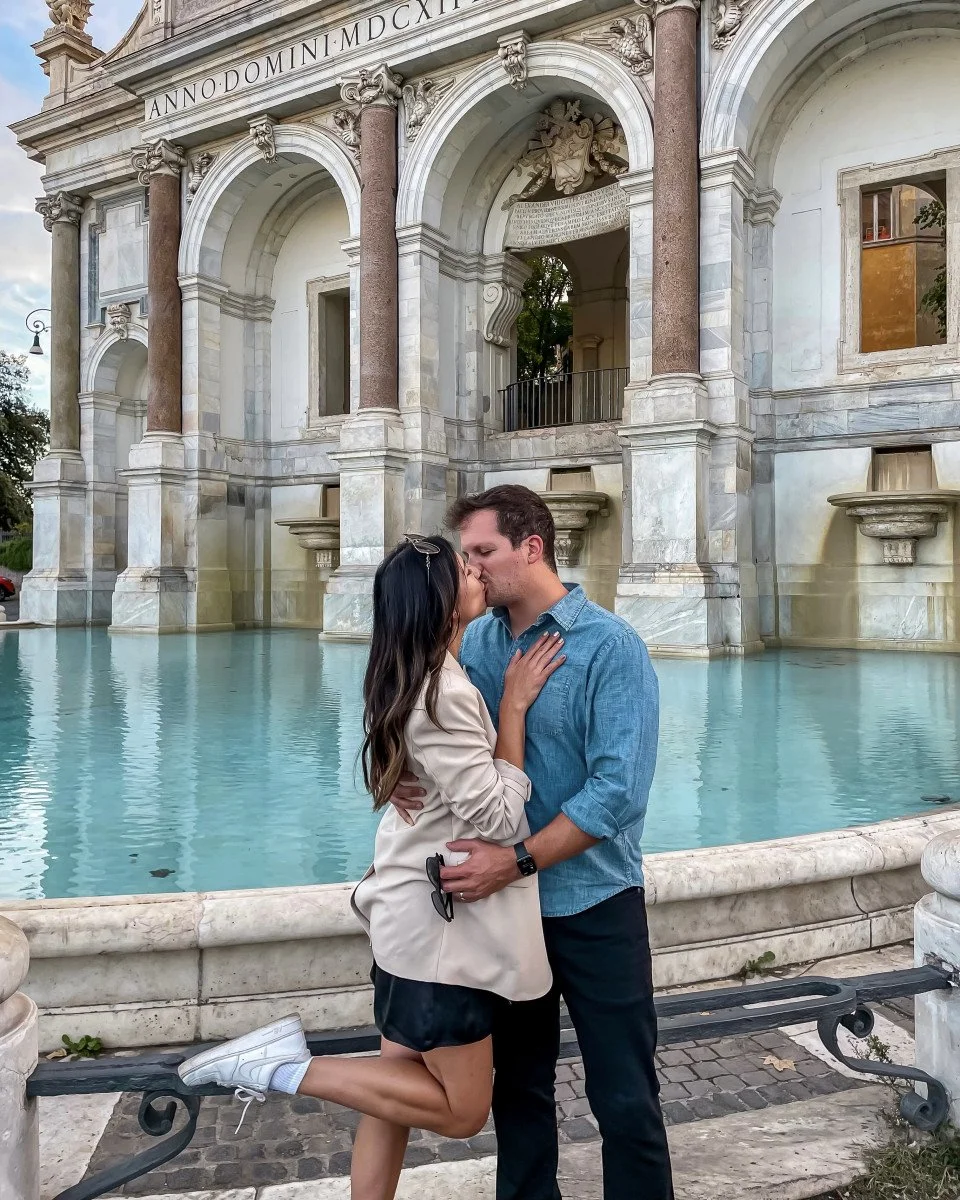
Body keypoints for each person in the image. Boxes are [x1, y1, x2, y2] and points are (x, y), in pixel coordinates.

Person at [177, 533, 565, 1200]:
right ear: (443, 606)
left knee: (392, 1099)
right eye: (464, 571)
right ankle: (283, 1069)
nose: (477, 574)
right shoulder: (444, 695)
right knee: (461, 1109)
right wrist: (513, 712)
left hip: (408, 924)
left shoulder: (413, 677)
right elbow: (501, 821)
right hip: (443, 943)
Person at [390, 485, 672, 1200]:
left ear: (532, 547)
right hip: (505, 916)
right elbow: (406, 714)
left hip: (595, 902)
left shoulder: (612, 647)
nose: (474, 570)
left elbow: (617, 793)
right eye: (468, 558)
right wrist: (392, 773)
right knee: (520, 1097)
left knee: (626, 1101)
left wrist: (514, 861)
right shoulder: (473, 641)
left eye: (484, 553)